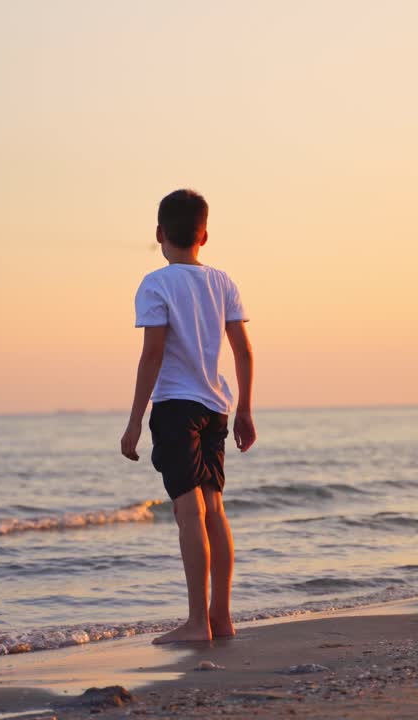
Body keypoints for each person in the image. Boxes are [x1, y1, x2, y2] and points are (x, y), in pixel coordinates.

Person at [120, 189, 256, 644]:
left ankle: (198, 623)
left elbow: (152, 353)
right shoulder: (223, 282)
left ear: (159, 234)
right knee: (214, 508)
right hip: (217, 406)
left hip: (176, 406)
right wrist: (246, 410)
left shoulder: (156, 284)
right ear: (204, 235)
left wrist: (135, 420)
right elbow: (242, 350)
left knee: (188, 511)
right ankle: (221, 617)